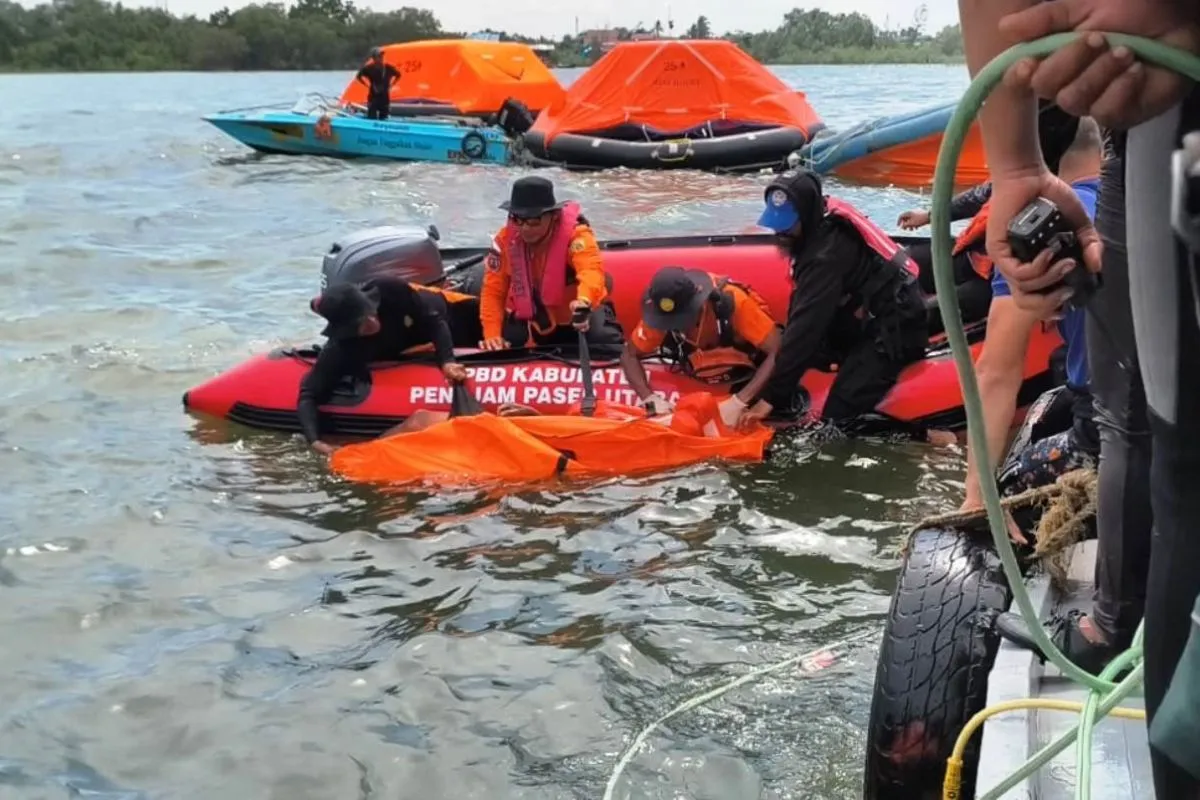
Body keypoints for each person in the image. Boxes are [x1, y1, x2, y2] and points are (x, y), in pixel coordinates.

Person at [956, 1, 1200, 795]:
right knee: (1172, 459)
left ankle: (1107, 622)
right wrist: (1017, 165)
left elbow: (996, 376)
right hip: (1159, 108)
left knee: (1152, 440)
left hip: (1167, 100)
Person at [959, 117, 1104, 538]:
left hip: (1114, 433)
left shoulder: (1044, 234)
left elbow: (997, 373)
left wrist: (977, 494)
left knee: (1005, 495)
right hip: (1176, 415)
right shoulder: (1155, 196)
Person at [740, 168, 930, 436]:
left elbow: (806, 330)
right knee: (808, 350)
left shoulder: (825, 256)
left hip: (895, 326)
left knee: (838, 422)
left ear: (807, 215)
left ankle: (925, 438)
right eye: (776, 222)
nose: (779, 232)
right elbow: (803, 311)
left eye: (787, 224)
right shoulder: (823, 218)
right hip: (865, 307)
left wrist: (769, 400)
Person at [897, 102, 1085, 325]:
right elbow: (981, 195)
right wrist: (929, 215)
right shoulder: (1016, 174)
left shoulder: (1073, 197)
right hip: (972, 256)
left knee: (919, 315)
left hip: (995, 281)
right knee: (900, 264)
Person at [298, 277, 482, 455]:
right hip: (414, 346)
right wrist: (315, 441)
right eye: (361, 324)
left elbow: (434, 321)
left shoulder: (390, 290)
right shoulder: (341, 347)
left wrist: (447, 360)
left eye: (369, 313)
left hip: (446, 316)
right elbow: (308, 394)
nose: (371, 323)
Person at [478, 176, 624, 357]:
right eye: (518, 220)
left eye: (533, 221)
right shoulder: (505, 241)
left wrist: (584, 301)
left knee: (604, 339)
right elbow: (493, 291)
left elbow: (590, 271)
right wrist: (492, 335)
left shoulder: (577, 237)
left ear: (553, 217)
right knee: (509, 339)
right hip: (543, 324)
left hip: (583, 317)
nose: (525, 228)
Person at [619, 266, 782, 424]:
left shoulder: (734, 303)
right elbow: (629, 354)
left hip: (746, 371)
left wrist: (740, 402)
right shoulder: (660, 316)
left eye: (681, 319)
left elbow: (779, 349)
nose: (677, 325)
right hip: (697, 369)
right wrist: (648, 398)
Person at [355, 47, 400, 121]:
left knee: (384, 119)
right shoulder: (368, 68)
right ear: (373, 58)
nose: (381, 58)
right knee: (371, 118)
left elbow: (398, 75)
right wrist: (368, 85)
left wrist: (391, 85)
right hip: (373, 97)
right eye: (378, 56)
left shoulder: (388, 68)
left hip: (385, 98)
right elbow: (359, 77)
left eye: (382, 56)